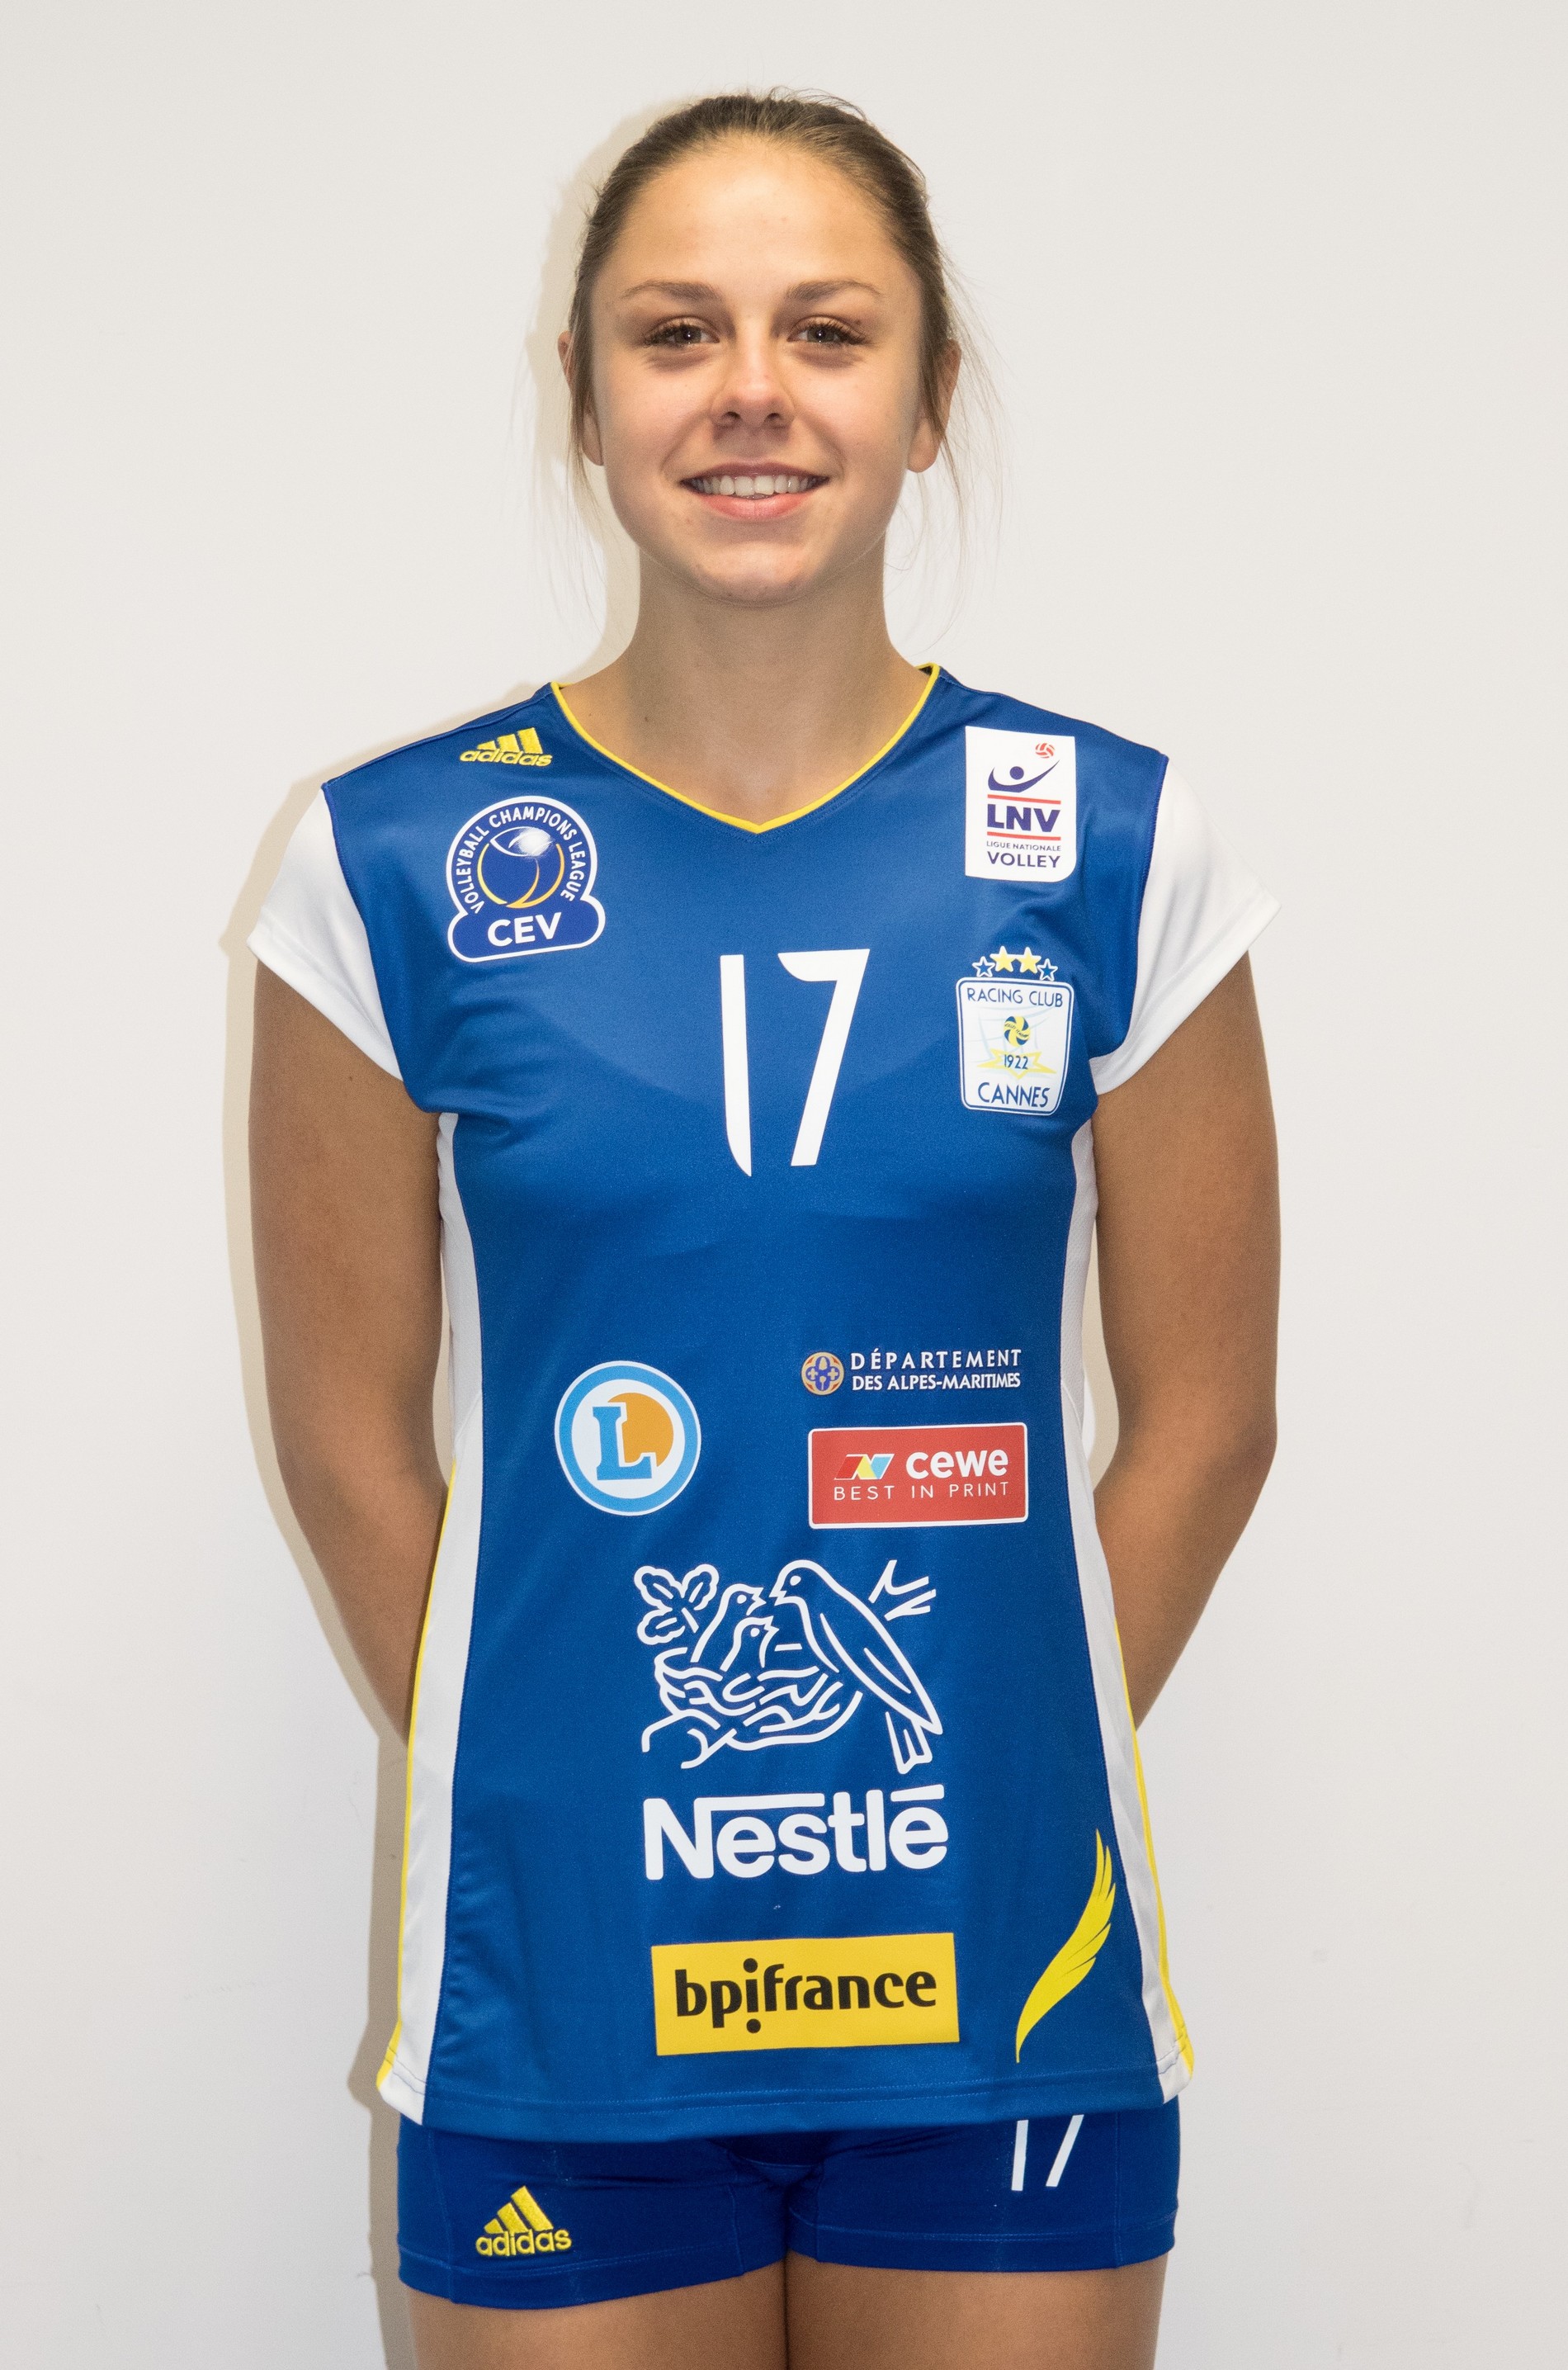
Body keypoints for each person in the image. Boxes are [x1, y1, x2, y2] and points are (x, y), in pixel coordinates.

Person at [248, 90, 1279, 2370]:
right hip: (567, 1974)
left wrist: (978, 1753)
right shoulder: (391, 863)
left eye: (825, 331)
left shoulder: (1111, 840)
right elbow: (344, 1444)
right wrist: (571, 1767)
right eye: (675, 332)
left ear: (927, 395)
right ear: (584, 396)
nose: (750, 392)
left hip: (994, 1965)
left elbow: (1209, 1421)